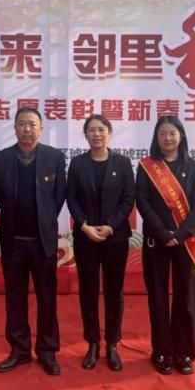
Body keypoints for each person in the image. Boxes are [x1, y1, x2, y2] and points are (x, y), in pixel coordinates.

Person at [0, 106, 66, 376]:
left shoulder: (54, 157)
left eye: (32, 124)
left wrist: (44, 220)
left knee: (47, 298)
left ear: (41, 129)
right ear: (14, 128)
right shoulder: (0, 159)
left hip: (43, 242)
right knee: (15, 298)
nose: (27, 129)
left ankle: (47, 351)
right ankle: (19, 350)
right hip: (13, 241)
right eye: (21, 124)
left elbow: (58, 196)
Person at [135, 115, 195, 376]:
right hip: (156, 241)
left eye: (172, 133)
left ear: (181, 136)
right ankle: (162, 351)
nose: (167, 138)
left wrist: (183, 232)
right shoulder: (147, 167)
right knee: (157, 298)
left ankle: (184, 352)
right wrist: (163, 232)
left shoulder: (193, 166)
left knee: (185, 298)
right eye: (162, 134)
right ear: (156, 138)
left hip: (186, 242)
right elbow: (142, 202)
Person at [66, 114, 134, 371]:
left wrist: (110, 226)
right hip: (85, 238)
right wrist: (83, 225)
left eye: (101, 129)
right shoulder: (77, 163)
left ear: (109, 133)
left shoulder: (123, 163)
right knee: (89, 291)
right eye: (91, 130)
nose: (96, 134)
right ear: (85, 135)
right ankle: (93, 342)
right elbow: (71, 197)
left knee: (114, 291)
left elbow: (128, 199)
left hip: (115, 238)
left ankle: (112, 343)